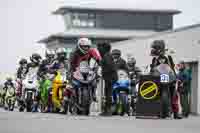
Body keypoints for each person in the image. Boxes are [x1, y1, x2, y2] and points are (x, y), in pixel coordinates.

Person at [150, 40, 182, 119]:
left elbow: (172, 66)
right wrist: (151, 73)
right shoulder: (154, 58)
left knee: (174, 95)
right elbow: (152, 68)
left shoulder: (168, 56)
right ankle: (156, 112)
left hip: (168, 77)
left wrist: (176, 77)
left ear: (160, 48)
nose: (154, 49)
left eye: (155, 47)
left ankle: (176, 113)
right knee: (155, 94)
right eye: (154, 47)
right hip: (158, 78)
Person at [69, 38, 102, 102]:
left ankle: (94, 93)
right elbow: (71, 63)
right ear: (79, 46)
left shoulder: (92, 51)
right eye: (84, 47)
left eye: (87, 47)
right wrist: (71, 70)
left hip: (86, 68)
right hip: (76, 69)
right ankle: (72, 95)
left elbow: (98, 58)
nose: (86, 48)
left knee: (96, 78)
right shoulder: (74, 52)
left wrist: (100, 64)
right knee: (70, 79)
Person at [97, 42, 117, 116]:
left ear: (104, 48)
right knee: (107, 93)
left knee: (108, 94)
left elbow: (109, 66)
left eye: (100, 48)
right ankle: (106, 110)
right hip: (109, 77)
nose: (99, 50)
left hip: (110, 77)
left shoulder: (106, 56)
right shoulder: (107, 55)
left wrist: (103, 71)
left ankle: (108, 111)